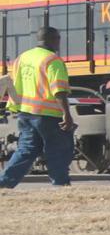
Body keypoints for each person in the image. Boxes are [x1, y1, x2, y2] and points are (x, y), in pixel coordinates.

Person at [0, 27, 75, 189]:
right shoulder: (53, 60)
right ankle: (60, 184)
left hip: (26, 113)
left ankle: (4, 183)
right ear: (53, 39)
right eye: (58, 38)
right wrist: (67, 114)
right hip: (48, 115)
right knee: (58, 150)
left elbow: (15, 84)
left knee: (26, 150)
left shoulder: (22, 58)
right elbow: (59, 90)